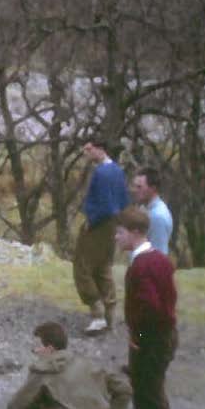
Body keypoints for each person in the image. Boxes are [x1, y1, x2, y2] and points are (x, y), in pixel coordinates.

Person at [7, 321, 132, 409]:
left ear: (49, 349)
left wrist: (39, 405)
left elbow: (15, 407)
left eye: (37, 347)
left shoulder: (43, 370)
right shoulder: (89, 364)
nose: (34, 351)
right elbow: (125, 389)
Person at [115, 206, 178, 409]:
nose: (116, 238)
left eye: (120, 232)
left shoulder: (142, 267)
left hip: (152, 341)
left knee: (148, 393)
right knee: (148, 388)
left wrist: (138, 338)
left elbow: (150, 308)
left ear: (135, 233)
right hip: (163, 337)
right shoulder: (160, 259)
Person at [73, 137, 129, 334]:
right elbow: (124, 200)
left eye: (89, 150)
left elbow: (105, 204)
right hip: (113, 224)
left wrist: (91, 221)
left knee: (83, 266)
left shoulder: (102, 172)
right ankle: (110, 314)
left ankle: (97, 314)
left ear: (100, 149)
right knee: (103, 266)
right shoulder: (117, 171)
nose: (86, 154)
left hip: (99, 223)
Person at [130, 167, 173, 256]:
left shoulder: (158, 217)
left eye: (139, 187)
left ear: (153, 188)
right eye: (134, 186)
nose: (134, 190)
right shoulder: (144, 209)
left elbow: (159, 254)